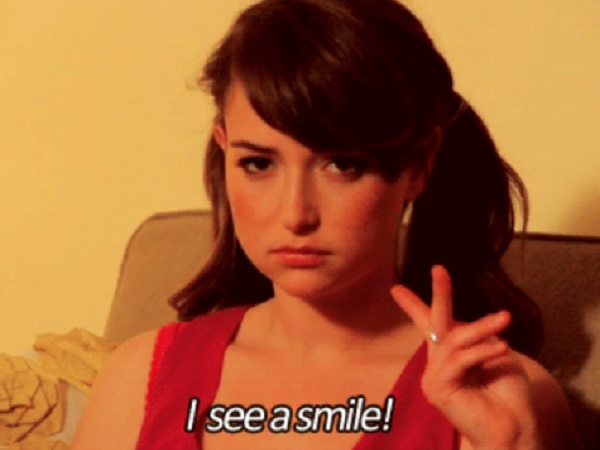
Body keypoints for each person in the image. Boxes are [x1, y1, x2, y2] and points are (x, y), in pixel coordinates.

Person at [73, 0, 579, 448]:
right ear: (224, 147)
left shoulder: (501, 399)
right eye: (258, 163)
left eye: (342, 165)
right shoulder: (139, 379)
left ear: (419, 164)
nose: (296, 214)